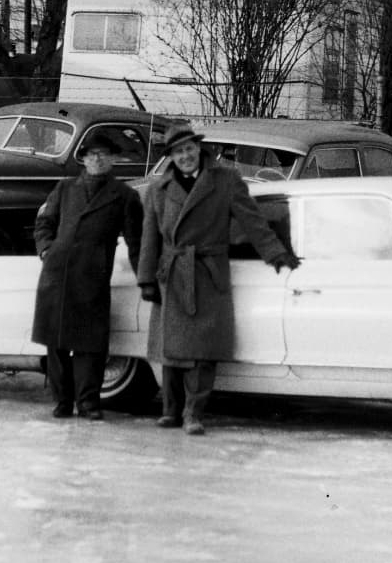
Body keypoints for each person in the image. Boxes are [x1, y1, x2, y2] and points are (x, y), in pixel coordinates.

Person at [136, 125, 298, 435]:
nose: (185, 156)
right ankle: (170, 410)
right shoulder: (159, 189)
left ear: (199, 149)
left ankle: (193, 413)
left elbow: (253, 220)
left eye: (189, 149)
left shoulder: (225, 180)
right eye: (178, 151)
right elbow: (149, 238)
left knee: (203, 350)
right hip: (171, 274)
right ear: (170, 156)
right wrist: (146, 278)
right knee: (171, 351)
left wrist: (276, 253)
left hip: (207, 273)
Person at [31, 133, 144, 420]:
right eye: (92, 154)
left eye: (104, 154)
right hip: (57, 277)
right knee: (56, 345)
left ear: (114, 158)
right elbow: (44, 223)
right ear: (83, 158)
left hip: (92, 279)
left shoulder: (125, 197)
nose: (97, 159)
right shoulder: (65, 188)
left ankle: (89, 403)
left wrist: (146, 277)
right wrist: (46, 250)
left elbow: (137, 242)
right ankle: (62, 402)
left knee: (90, 346)